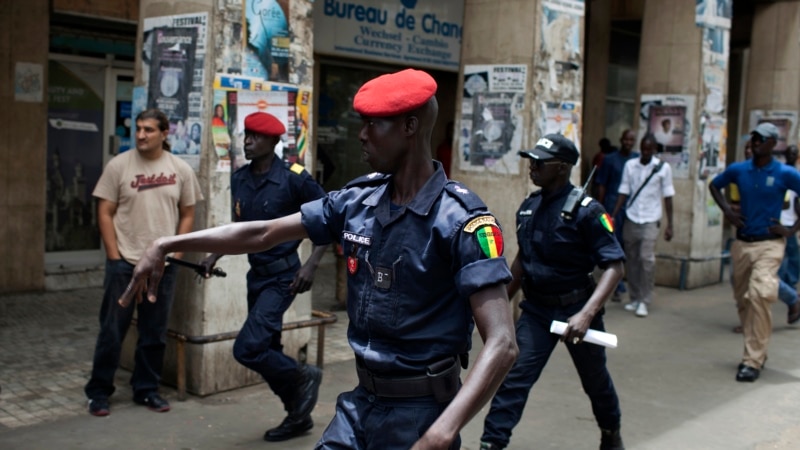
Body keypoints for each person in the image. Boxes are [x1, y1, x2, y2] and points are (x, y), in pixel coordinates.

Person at [119, 68, 518, 450]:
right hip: (360, 403)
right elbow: (262, 231)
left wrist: (442, 431)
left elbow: (502, 343)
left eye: (373, 124)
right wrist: (166, 244)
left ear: (410, 127)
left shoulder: (460, 221)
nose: (361, 136)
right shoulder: (358, 201)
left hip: (421, 413)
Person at [479, 134, 626, 450]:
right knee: (514, 379)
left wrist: (586, 314)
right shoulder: (529, 207)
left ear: (561, 168)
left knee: (595, 381)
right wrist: (497, 305)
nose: (531, 167)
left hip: (578, 308)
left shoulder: (588, 211)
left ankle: (611, 434)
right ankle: (492, 443)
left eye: (539, 162)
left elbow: (615, 267)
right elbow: (522, 261)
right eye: (530, 160)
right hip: (537, 311)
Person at [198, 112, 329, 442]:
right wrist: (213, 255)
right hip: (256, 277)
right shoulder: (240, 179)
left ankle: (303, 375)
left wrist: (310, 264)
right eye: (246, 136)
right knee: (267, 351)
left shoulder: (294, 179)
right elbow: (238, 231)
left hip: (285, 276)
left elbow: (329, 219)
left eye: (256, 137)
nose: (247, 141)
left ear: (273, 142)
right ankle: (298, 415)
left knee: (248, 349)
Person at [84, 108, 203, 416]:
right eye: (138, 128)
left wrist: (176, 256)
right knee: (112, 331)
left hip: (161, 267)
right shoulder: (118, 166)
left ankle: (146, 389)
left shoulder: (180, 169)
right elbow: (104, 211)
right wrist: (114, 256)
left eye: (149, 130)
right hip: (124, 262)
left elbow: (188, 213)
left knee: (154, 332)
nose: (140, 135)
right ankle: (99, 392)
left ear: (165, 134)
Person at [709, 122, 800, 382]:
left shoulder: (785, 173)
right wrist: (727, 211)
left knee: (760, 294)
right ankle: (758, 347)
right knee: (745, 302)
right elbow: (715, 185)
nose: (756, 142)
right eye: (754, 137)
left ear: (773, 143)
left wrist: (792, 228)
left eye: (761, 138)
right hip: (742, 245)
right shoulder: (739, 170)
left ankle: (753, 360)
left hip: (770, 244)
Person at [611, 134, 674, 318]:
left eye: (649, 149)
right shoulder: (630, 165)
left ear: (654, 149)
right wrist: (614, 215)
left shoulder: (663, 168)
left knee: (646, 259)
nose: (646, 152)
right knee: (631, 260)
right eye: (643, 148)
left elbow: (668, 196)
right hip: (632, 217)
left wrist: (670, 224)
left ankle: (644, 300)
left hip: (651, 219)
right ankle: (634, 297)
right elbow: (623, 191)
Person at [595, 129, 639, 301]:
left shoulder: (637, 160)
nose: (628, 142)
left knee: (630, 247)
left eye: (631, 139)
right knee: (615, 244)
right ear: (621, 140)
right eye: (626, 139)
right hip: (612, 208)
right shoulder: (610, 160)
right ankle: (617, 285)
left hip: (633, 209)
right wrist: (601, 207)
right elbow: (602, 185)